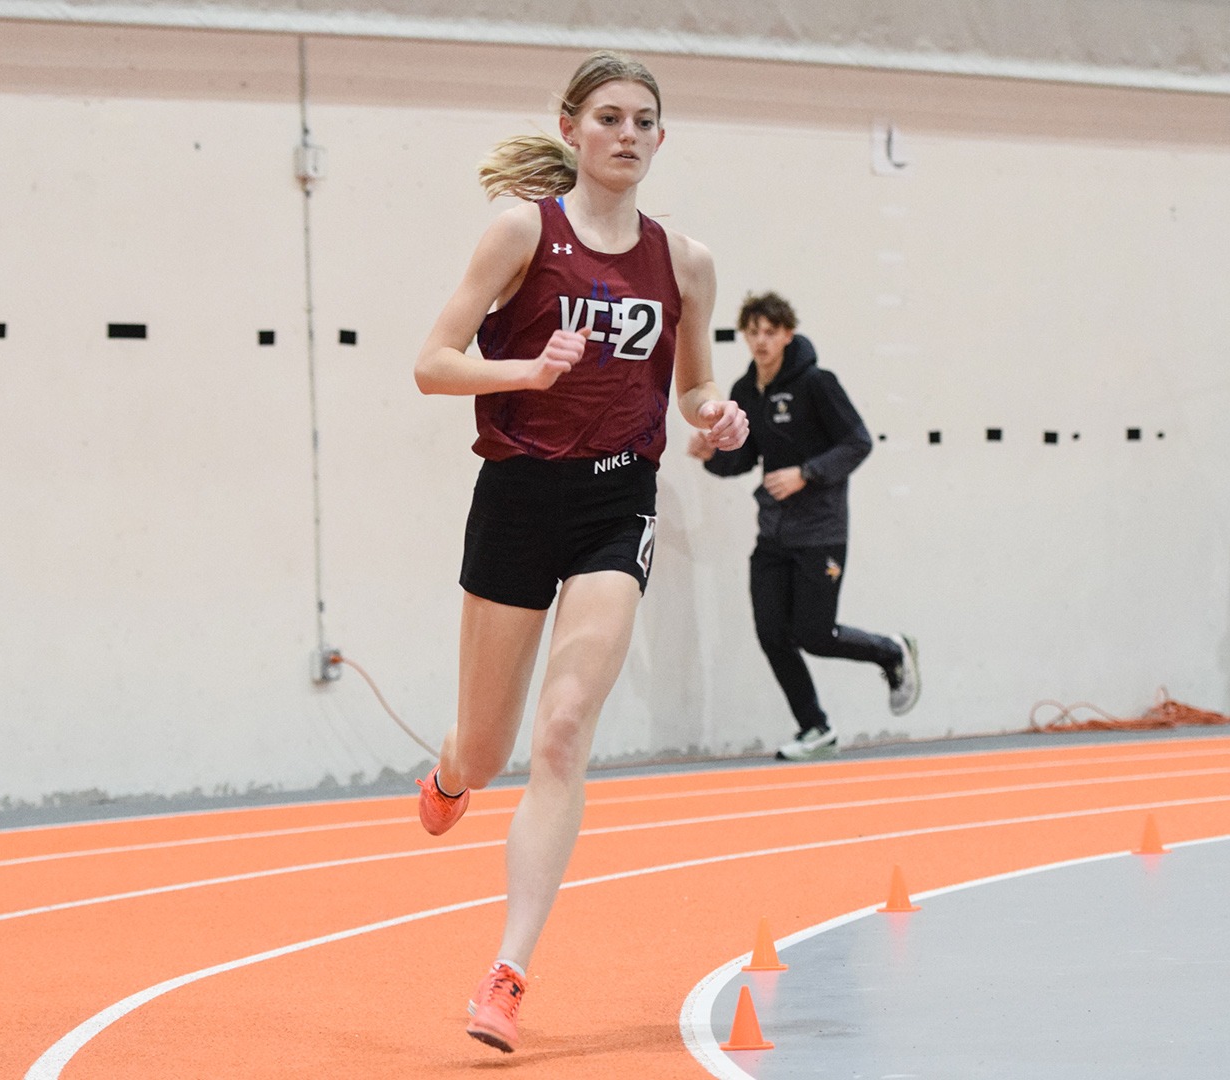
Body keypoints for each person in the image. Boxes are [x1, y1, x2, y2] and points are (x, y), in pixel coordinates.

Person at [410, 51, 749, 1054]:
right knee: (489, 746)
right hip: (518, 495)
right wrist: (527, 370)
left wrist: (714, 414)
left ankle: (507, 975)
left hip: (616, 498)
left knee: (562, 731)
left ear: (660, 137)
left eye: (644, 120)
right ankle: (454, 770)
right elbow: (432, 364)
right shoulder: (523, 232)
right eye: (608, 117)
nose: (626, 134)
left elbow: (693, 383)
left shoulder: (685, 262)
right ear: (571, 128)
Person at [688, 292, 919, 758]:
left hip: (820, 530)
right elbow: (743, 461)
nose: (761, 341)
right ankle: (815, 728)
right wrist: (712, 455)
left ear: (788, 334)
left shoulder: (817, 383)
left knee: (815, 634)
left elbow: (858, 442)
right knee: (772, 634)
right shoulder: (745, 391)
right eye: (753, 332)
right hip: (773, 532)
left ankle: (891, 651)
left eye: (770, 332)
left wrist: (805, 474)